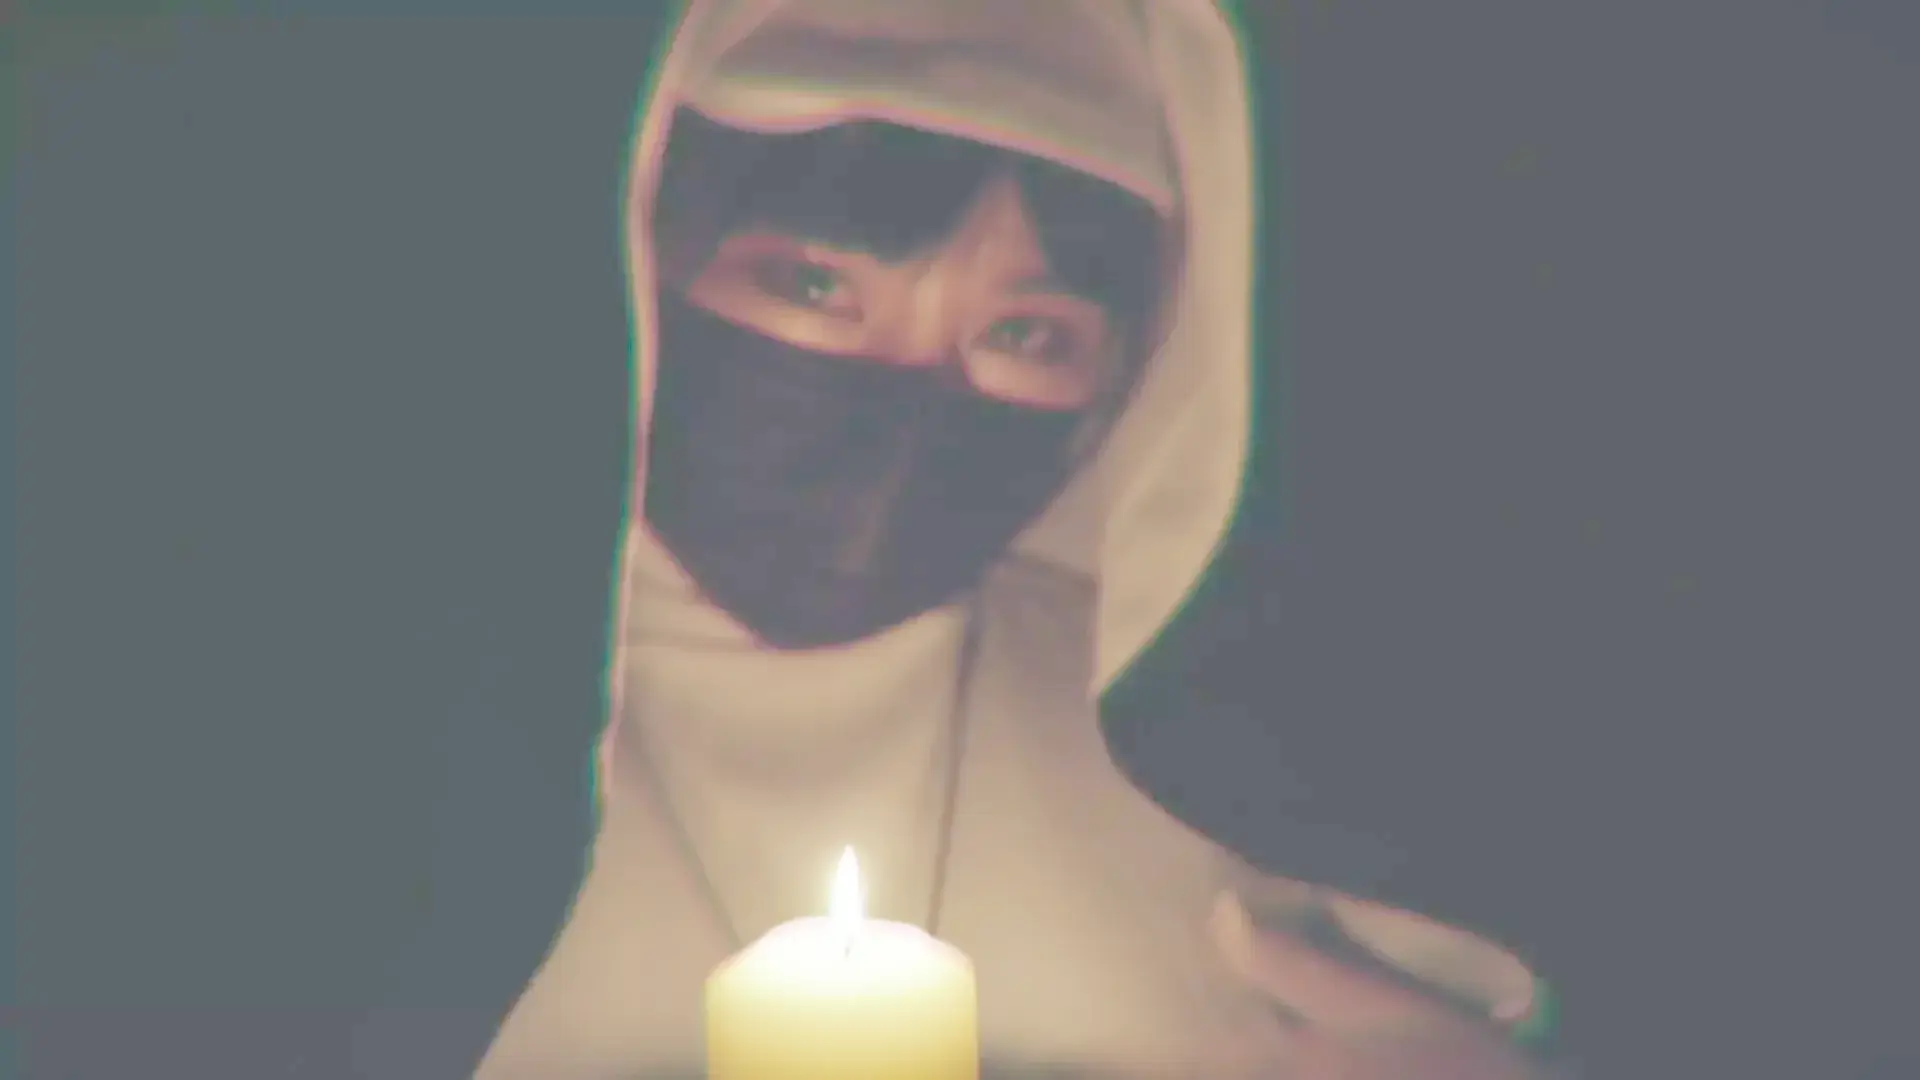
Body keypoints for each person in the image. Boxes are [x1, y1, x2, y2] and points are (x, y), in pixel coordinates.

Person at [359, 2, 1554, 1076]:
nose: (909, 392)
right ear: (649, 250)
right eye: (815, 284)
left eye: (1027, 335)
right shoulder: (399, 753)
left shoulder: (1214, 782)